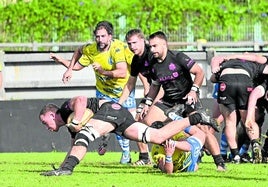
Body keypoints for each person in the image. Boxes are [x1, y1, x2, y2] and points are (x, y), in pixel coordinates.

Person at [39, 95, 218, 176]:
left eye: (44, 122)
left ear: (51, 114)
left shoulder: (64, 109)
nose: (45, 127)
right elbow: (74, 146)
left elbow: (80, 100)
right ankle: (196, 118)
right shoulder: (71, 126)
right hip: (119, 115)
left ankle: (67, 171)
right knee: (156, 137)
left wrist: (77, 120)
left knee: (84, 134)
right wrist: (62, 163)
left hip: (109, 109)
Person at [49, 21, 134, 164]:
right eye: (97, 37)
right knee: (104, 121)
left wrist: (101, 71)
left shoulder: (117, 47)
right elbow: (78, 52)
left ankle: (141, 156)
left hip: (123, 91)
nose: (100, 40)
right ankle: (119, 149)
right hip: (103, 93)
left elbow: (121, 72)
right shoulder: (91, 49)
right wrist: (68, 67)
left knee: (130, 123)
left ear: (110, 36)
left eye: (103, 36)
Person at [138, 31, 225, 171]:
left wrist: (194, 90)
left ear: (164, 44)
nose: (152, 49)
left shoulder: (178, 57)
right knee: (148, 122)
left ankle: (220, 163)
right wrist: (147, 103)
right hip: (169, 101)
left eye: (155, 46)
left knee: (204, 130)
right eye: (151, 46)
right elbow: (155, 85)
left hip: (187, 99)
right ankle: (171, 153)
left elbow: (199, 72)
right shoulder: (152, 64)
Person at [210, 54, 268, 164]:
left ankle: (235, 154)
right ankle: (255, 143)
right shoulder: (254, 65)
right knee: (249, 120)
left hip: (226, 81)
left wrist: (215, 69)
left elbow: (213, 78)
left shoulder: (226, 62)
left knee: (230, 123)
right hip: (245, 82)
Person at [118, 29, 164, 166]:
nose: (132, 47)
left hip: (168, 91)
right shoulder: (136, 60)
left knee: (154, 121)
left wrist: (150, 105)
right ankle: (145, 157)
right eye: (129, 44)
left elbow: (163, 82)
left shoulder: (153, 55)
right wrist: (118, 104)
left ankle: (194, 148)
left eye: (135, 43)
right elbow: (130, 84)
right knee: (136, 121)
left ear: (143, 41)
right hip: (154, 93)